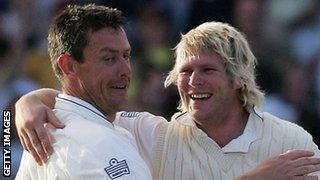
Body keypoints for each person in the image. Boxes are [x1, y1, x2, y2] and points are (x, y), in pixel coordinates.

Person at [15, 20, 320, 180]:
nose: (193, 81)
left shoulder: (289, 141)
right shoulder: (150, 134)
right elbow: (80, 104)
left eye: (207, 70)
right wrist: (27, 103)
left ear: (239, 77)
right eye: (185, 71)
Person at [15, 4, 152, 179]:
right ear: (68, 66)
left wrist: (30, 100)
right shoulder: (101, 144)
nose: (126, 70)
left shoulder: (41, 133)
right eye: (109, 59)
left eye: (126, 56)